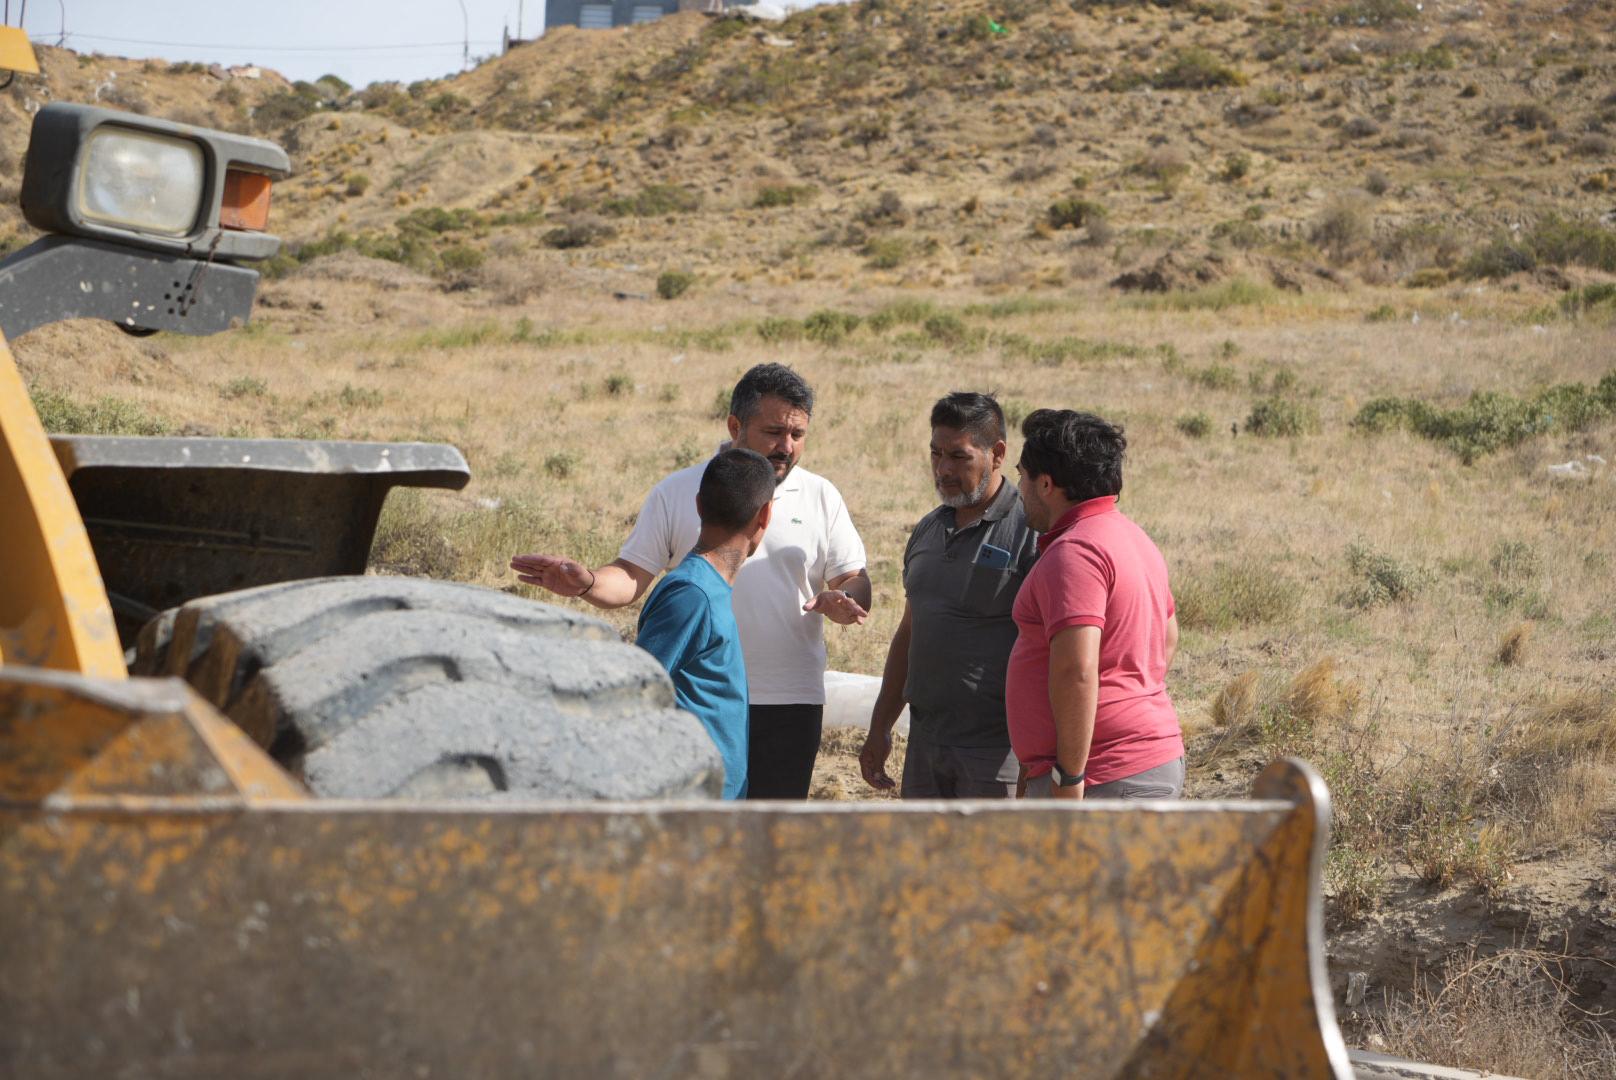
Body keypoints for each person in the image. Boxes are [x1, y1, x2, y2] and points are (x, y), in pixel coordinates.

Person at [510, 363, 871, 800]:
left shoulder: (821, 495)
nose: (787, 447)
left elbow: (855, 579)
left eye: (798, 435)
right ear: (735, 425)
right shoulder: (683, 490)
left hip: (789, 699)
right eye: (774, 431)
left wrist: (843, 599)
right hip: (702, 700)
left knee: (771, 839)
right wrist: (587, 582)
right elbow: (630, 575)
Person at [859, 392, 1038, 799]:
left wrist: (1036, 757)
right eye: (936, 454)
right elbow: (910, 633)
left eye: (959, 457)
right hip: (926, 745)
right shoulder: (928, 529)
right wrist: (881, 726)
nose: (943, 470)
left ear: (997, 454)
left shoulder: (1031, 530)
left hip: (998, 753)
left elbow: (1053, 651)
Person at [1006, 409, 1185, 800]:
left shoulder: (1075, 552)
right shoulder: (1133, 537)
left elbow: (1077, 670)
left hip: (1104, 775)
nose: (1018, 487)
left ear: (1047, 484)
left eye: (1022, 475)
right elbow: (1167, 638)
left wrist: (1069, 775)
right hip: (1136, 763)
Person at [635, 448, 776, 800]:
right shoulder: (692, 595)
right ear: (765, 515)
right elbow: (637, 696)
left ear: (698, 505)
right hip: (690, 805)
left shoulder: (706, 589)